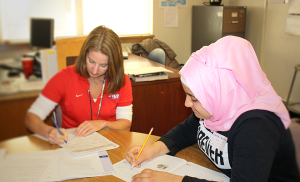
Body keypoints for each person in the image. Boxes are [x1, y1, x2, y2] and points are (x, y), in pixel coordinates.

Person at [125, 36, 300, 182]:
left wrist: (175, 180)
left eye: (194, 98)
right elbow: (186, 131)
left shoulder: (256, 127)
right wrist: (152, 150)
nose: (187, 104)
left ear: (220, 93)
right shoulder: (218, 107)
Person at [25, 25, 133, 144]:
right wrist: (48, 132)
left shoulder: (122, 81)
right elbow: (31, 118)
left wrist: (103, 124)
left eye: (103, 65)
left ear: (113, 64)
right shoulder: (65, 77)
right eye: (91, 61)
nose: (95, 70)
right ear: (84, 54)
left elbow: (126, 125)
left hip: (110, 143)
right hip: (72, 144)